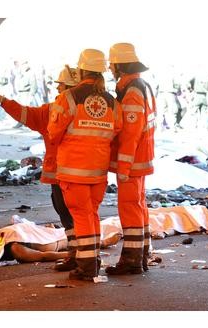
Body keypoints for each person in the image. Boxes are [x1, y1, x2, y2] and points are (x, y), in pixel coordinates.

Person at [0, 66, 79, 271]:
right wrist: (4, 101)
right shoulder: (90, 110)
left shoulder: (53, 110)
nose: (58, 90)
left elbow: (27, 115)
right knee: (80, 216)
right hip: (86, 174)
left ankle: (80, 256)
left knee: (69, 215)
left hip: (64, 174)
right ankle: (82, 255)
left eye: (60, 86)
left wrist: (4, 101)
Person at [47, 49, 123, 281]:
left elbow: (53, 132)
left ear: (80, 70)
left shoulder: (68, 97)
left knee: (81, 216)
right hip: (98, 170)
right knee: (92, 214)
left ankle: (87, 265)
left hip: (73, 170)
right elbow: (117, 129)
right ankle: (93, 259)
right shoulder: (111, 101)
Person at [107, 43, 156, 275]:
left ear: (119, 65)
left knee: (130, 207)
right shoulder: (141, 86)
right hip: (141, 157)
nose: (109, 67)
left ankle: (132, 261)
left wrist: (123, 165)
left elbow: (130, 133)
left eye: (112, 64)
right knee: (138, 205)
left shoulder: (133, 90)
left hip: (133, 160)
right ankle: (142, 254)